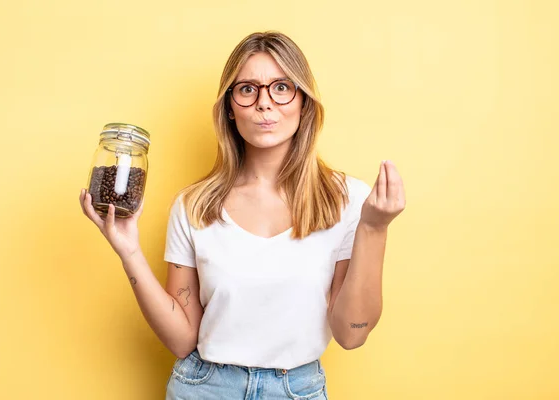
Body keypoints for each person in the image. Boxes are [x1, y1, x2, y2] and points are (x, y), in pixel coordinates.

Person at [79, 31, 405, 399]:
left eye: (281, 87)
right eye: (248, 89)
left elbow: (352, 333)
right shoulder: (194, 205)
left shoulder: (346, 200)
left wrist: (375, 229)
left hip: (297, 390)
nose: (264, 103)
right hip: (203, 389)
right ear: (230, 108)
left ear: (304, 103)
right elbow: (183, 339)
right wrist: (130, 253)